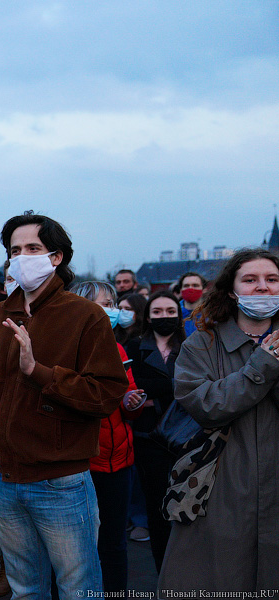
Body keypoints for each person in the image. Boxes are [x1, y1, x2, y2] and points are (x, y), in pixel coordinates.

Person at [0, 212, 128, 597]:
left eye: (33, 248)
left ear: (56, 257)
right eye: (15, 250)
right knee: (25, 588)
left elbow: (107, 393)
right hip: (5, 475)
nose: (22, 257)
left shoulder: (86, 316)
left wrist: (38, 371)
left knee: (78, 587)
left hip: (60, 480)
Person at [159, 248, 279, 592]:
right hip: (219, 490)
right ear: (232, 290)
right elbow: (206, 405)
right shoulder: (202, 343)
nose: (262, 287)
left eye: (272, 279)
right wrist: (263, 366)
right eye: (251, 279)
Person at [71, 281, 145, 593]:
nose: (112, 311)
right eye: (104, 304)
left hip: (120, 461)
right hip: (82, 464)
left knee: (114, 544)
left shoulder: (118, 349)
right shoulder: (67, 351)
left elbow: (127, 402)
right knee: (76, 547)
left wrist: (131, 403)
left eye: (113, 304)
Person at [122, 291, 185, 573]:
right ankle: (164, 574)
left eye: (170, 311)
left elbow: (195, 385)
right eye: (157, 312)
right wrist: (172, 388)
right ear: (148, 316)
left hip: (186, 438)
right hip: (149, 440)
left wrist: (154, 397)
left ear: (179, 315)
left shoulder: (193, 346)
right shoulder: (134, 346)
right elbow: (133, 384)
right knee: (158, 510)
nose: (164, 317)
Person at [177, 272, 206, 336]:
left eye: (195, 285)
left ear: (204, 289)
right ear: (181, 290)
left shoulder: (213, 313)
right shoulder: (174, 313)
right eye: (186, 286)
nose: (190, 289)